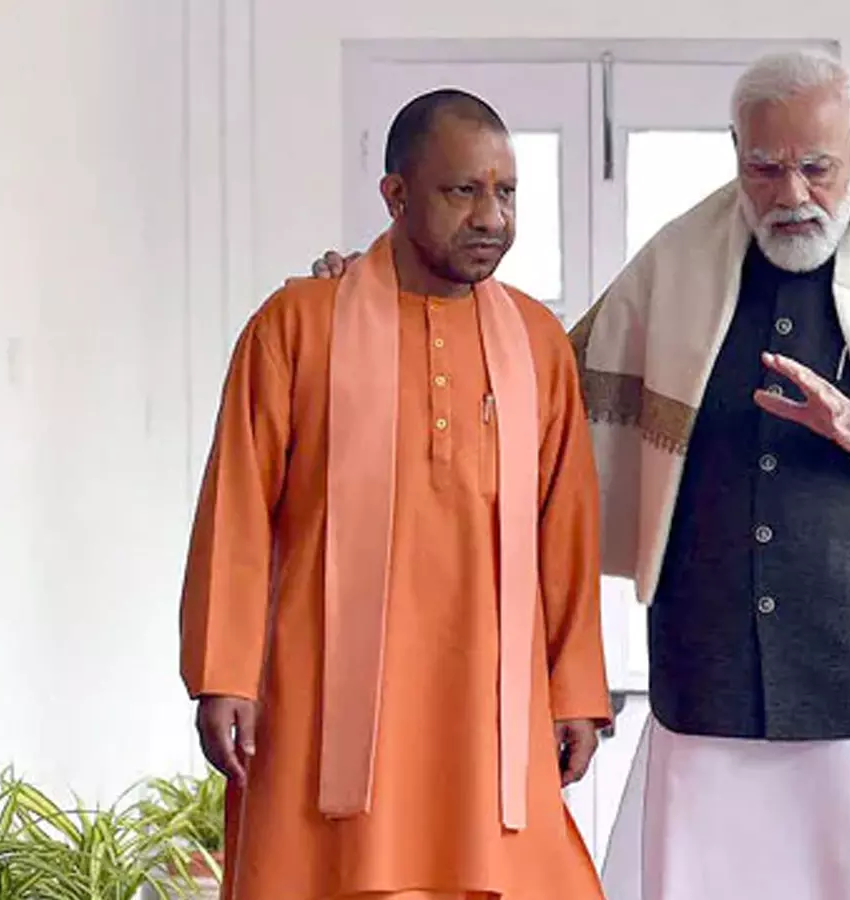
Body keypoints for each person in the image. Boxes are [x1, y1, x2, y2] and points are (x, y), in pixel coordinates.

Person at [311, 51, 850, 900]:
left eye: (816, 167)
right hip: (710, 682)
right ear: (735, 150)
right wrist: (385, 286)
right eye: (763, 168)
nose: (791, 194)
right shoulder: (678, 261)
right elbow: (535, 376)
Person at [180, 88, 612, 900]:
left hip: (489, 703)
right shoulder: (297, 324)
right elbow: (236, 507)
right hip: (323, 701)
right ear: (396, 194)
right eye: (463, 191)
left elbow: (567, 527)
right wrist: (223, 675)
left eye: (507, 192)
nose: (492, 217)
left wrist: (577, 688)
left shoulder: (537, 341)